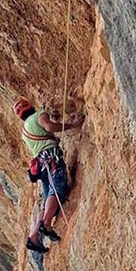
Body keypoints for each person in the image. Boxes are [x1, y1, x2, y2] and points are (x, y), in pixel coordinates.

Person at [13, 98, 84, 254]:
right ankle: (46, 224)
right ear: (30, 106)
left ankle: (34, 237)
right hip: (50, 158)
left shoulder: (24, 131)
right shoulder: (38, 115)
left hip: (40, 164)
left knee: (48, 201)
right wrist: (72, 125)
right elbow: (49, 126)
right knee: (58, 190)